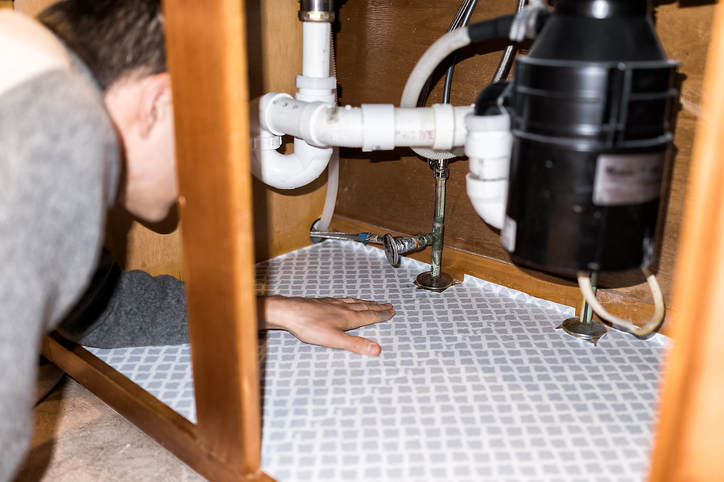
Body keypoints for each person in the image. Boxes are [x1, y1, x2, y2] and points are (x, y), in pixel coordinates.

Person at [0, 1, 395, 480]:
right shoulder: (51, 134)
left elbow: (96, 309)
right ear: (160, 103)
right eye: (207, 145)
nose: (194, 187)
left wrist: (269, 309)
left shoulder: (26, 64)